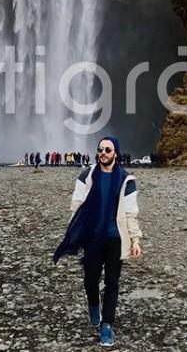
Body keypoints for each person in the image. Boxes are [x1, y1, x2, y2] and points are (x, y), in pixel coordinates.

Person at [53, 136, 143, 348]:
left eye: (108, 150)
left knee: (113, 283)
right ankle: (93, 304)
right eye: (100, 149)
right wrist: (74, 231)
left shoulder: (126, 180)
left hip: (115, 238)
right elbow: (77, 206)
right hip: (92, 237)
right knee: (90, 279)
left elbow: (131, 213)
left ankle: (107, 325)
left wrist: (136, 240)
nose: (103, 152)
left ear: (115, 154)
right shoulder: (86, 176)